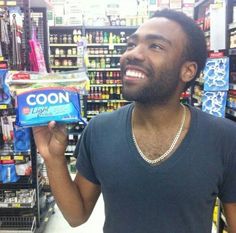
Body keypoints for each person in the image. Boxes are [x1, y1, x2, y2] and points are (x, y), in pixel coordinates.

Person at [33, 9, 236, 233]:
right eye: (131, 45)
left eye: (156, 46)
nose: (132, 54)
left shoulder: (224, 138)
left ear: (187, 71)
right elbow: (76, 215)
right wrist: (53, 160)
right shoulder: (99, 129)